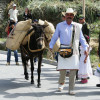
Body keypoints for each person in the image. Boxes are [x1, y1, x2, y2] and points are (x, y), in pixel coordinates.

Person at [49, 8, 88, 95]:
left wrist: (85, 48)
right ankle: (61, 83)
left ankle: (71, 88)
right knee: (62, 70)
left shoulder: (78, 26)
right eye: (68, 15)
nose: (69, 16)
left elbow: (81, 38)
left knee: (73, 71)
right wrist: (51, 45)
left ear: (73, 16)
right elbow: (55, 36)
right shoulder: (59, 25)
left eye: (71, 15)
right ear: (65, 16)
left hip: (74, 50)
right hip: (63, 49)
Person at [78, 15, 92, 83]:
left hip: (85, 42)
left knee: (85, 61)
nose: (80, 20)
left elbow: (88, 35)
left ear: (84, 19)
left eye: (81, 19)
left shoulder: (86, 25)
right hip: (80, 43)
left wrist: (86, 43)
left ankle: (86, 75)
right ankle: (82, 75)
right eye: (79, 19)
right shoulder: (79, 25)